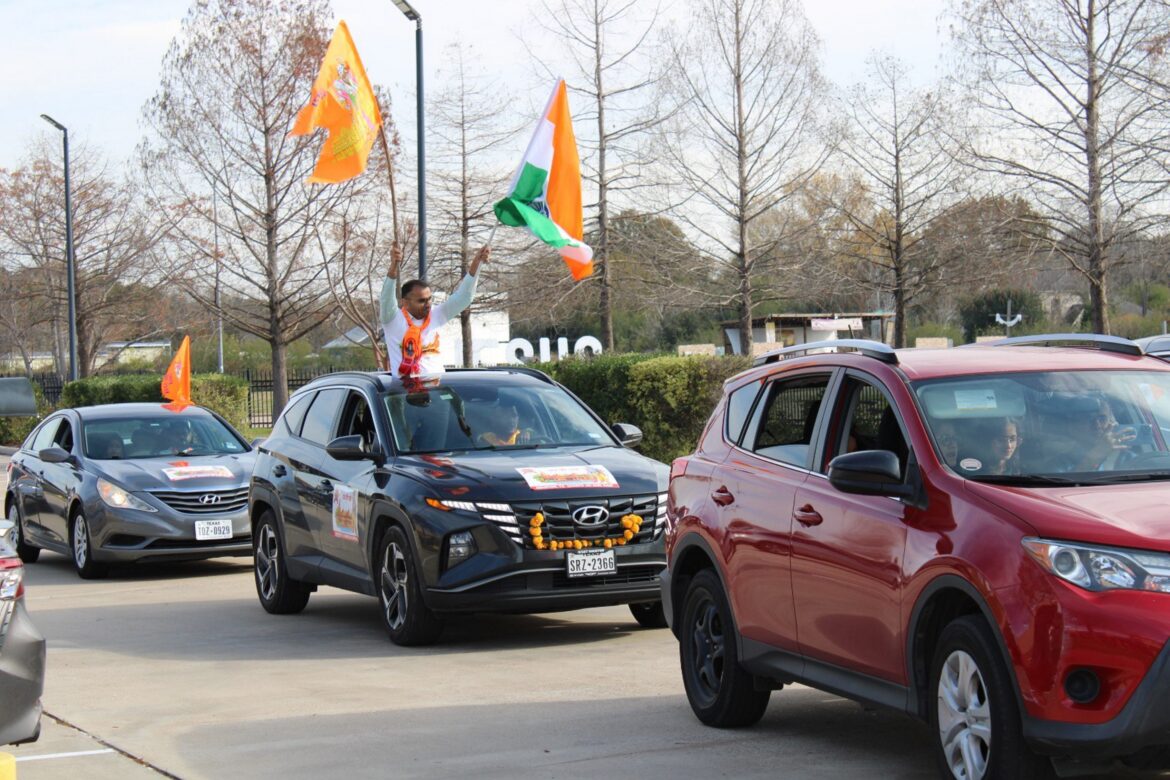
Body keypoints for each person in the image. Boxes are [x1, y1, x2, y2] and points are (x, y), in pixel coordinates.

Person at [380, 243, 490, 379]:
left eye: (429, 299)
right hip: (405, 395)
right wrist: (393, 269)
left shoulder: (437, 314)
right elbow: (386, 298)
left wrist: (476, 265)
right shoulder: (392, 319)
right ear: (405, 302)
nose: (428, 304)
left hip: (437, 393)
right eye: (421, 301)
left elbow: (464, 297)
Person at [1076, 398, 1136, 471]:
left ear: (1112, 422)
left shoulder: (1129, 458)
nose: (1097, 425)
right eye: (1090, 419)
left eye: (1102, 419)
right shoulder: (1069, 455)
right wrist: (1097, 452)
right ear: (1079, 423)